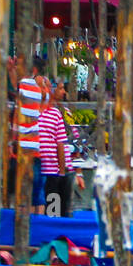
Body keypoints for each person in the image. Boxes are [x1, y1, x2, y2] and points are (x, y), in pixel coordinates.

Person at [38, 81, 82, 217]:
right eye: (61, 88)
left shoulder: (63, 112)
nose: (64, 93)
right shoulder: (35, 111)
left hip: (60, 171)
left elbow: (73, 142)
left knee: (57, 211)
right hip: (45, 168)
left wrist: (76, 172)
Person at [14, 55, 50, 215]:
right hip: (38, 146)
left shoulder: (30, 85)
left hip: (30, 146)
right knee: (37, 191)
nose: (45, 88)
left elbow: (18, 84)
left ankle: (26, 224)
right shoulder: (40, 94)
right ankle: (37, 224)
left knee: (27, 190)